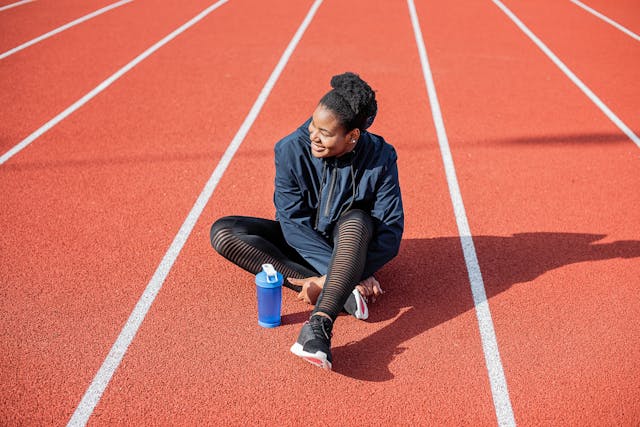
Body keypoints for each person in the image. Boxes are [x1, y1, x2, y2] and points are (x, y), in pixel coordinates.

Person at [210, 72, 403, 370]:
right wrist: (340, 276)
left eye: (325, 133)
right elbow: (290, 221)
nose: (313, 135)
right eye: (313, 124)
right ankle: (343, 292)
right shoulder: (290, 149)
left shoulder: (380, 156)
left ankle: (318, 327)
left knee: (356, 221)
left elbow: (389, 233)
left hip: (351, 243)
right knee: (224, 233)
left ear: (352, 136)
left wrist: (331, 278)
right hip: (303, 242)